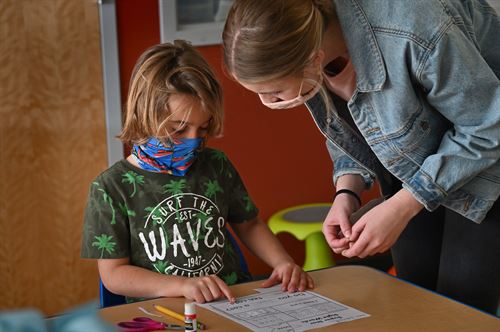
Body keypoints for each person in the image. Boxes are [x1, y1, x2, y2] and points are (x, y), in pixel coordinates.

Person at [222, 0, 500, 314]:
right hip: (419, 166)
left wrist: (402, 205)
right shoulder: (309, 37)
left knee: (459, 312)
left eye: (273, 92)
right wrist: (346, 192)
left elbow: (488, 125)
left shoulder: (415, 26)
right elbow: (354, 126)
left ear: (314, 59)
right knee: (416, 303)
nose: (265, 102)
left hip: (489, 161)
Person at [81, 40, 313, 304]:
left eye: (202, 129)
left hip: (231, 301)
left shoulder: (216, 165)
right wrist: (182, 285)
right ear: (144, 116)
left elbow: (249, 224)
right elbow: (114, 275)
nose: (193, 141)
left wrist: (282, 262)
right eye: (178, 130)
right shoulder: (110, 188)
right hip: (165, 310)